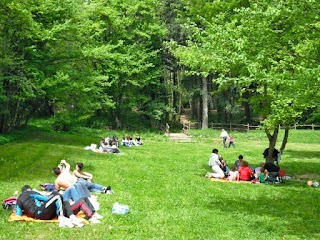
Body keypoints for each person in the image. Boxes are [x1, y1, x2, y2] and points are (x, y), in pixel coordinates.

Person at [16, 185, 84, 228]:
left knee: (60, 199)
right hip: (41, 212)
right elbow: (46, 199)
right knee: (57, 196)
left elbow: (18, 214)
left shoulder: (18, 200)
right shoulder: (30, 193)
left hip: (37, 215)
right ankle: (62, 218)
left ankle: (69, 216)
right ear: (29, 190)